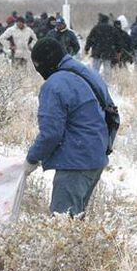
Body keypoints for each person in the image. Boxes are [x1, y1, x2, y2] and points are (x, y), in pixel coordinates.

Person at [24, 38, 115, 217]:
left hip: (74, 163)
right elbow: (110, 112)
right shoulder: (88, 73)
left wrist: (31, 159)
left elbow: (50, 133)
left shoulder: (54, 85)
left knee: (62, 227)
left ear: (47, 62)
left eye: (38, 65)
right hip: (96, 157)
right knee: (75, 224)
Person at [85, 14, 121, 78]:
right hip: (108, 52)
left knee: (95, 70)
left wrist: (87, 49)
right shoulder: (112, 28)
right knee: (107, 70)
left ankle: (94, 82)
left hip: (97, 52)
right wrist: (118, 51)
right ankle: (107, 84)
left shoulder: (96, 28)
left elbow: (90, 39)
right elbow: (117, 41)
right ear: (107, 20)